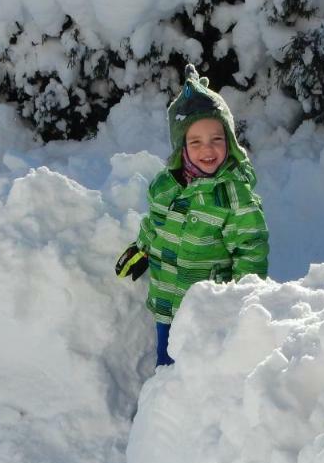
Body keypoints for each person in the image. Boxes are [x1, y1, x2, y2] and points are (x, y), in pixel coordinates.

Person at [115, 65, 269, 366]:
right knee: (166, 371)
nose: (207, 150)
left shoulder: (233, 194)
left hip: (206, 315)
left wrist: (244, 301)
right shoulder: (166, 185)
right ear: (181, 146)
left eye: (217, 139)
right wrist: (142, 248)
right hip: (165, 302)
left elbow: (252, 249)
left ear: (230, 141)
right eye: (195, 141)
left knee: (198, 380)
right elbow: (156, 222)